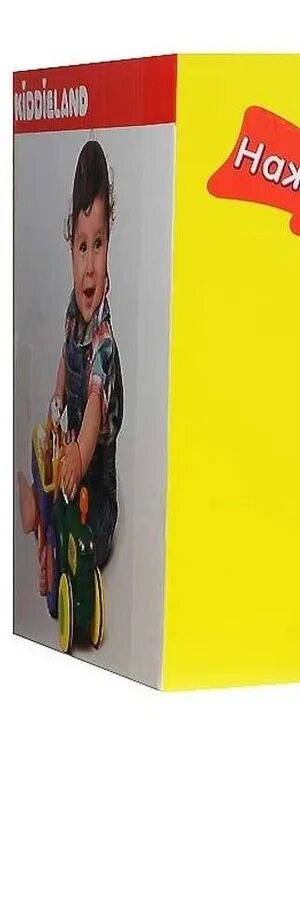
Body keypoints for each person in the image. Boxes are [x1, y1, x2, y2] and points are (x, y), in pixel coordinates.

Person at [17, 140, 124, 596]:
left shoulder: (103, 342)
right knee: (44, 453)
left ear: (110, 246)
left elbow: (96, 402)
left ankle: (56, 546)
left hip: (95, 479)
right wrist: (56, 399)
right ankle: (39, 520)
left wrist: (80, 452)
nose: (89, 266)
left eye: (98, 245)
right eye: (82, 247)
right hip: (71, 452)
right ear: (70, 251)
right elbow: (65, 356)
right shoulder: (72, 314)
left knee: (85, 534)